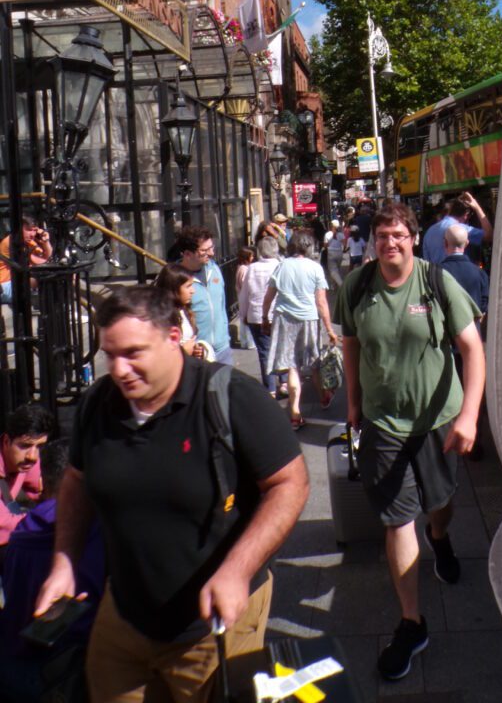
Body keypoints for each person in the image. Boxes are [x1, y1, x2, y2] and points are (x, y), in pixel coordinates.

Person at [35, 285, 309, 702]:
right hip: (124, 618)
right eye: (111, 355)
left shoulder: (230, 396)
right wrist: (64, 561)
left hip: (211, 626)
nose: (120, 369)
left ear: (173, 338)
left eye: (134, 353)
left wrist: (237, 570)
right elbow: (76, 480)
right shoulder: (98, 404)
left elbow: (290, 483)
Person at [335, 203, 485, 681]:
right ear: (373, 241)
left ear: (414, 239)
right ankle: (412, 622)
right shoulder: (358, 287)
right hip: (384, 425)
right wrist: (353, 401)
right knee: (399, 521)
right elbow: (351, 342)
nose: (390, 243)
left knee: (440, 504)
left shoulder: (437, 283)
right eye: (382, 236)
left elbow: (472, 349)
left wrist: (469, 417)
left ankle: (440, 539)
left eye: (398, 235)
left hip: (438, 421)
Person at [0, 438, 105, 703]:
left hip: (14, 666)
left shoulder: (21, 534)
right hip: (66, 675)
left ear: (44, 480)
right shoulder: (95, 532)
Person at [262, 231, 338, 428]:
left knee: (292, 366)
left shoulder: (282, 266)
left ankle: (295, 413)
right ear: (309, 247)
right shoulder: (315, 268)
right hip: (309, 319)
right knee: (312, 362)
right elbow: (321, 302)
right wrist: (329, 329)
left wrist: (264, 318)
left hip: (284, 319)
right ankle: (323, 398)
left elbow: (269, 296)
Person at [0, 403, 54, 552]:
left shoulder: (26, 462)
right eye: (24, 446)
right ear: (6, 441)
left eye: (40, 446)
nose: (33, 456)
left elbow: (47, 492)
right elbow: (3, 525)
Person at [176, 225, 233, 365]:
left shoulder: (214, 268)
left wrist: (225, 335)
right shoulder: (175, 278)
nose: (212, 253)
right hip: (197, 353)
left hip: (222, 348)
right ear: (188, 254)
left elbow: (221, 304)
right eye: (204, 250)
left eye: (212, 247)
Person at [239, 236, 284, 397]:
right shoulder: (280, 266)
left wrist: (243, 314)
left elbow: (244, 294)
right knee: (280, 348)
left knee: (264, 352)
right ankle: (284, 382)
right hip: (278, 314)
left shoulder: (252, 268)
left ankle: (270, 387)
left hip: (256, 315)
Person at [420, 191, 493, 264]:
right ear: (466, 215)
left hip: (435, 274)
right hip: (458, 274)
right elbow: (489, 235)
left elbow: (427, 262)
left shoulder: (429, 232)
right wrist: (477, 207)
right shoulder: (461, 229)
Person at [440, 225, 490, 320]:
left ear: (445, 243)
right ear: (467, 243)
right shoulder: (480, 274)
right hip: (472, 330)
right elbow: (483, 307)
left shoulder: (434, 272)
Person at [0, 216, 53, 305]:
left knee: (57, 275)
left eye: (34, 230)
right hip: (5, 287)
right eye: (28, 230)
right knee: (42, 277)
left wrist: (45, 241)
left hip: (15, 286)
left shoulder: (28, 242)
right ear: (18, 230)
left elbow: (46, 258)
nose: (32, 234)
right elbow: (39, 261)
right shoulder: (10, 241)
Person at [155, 262, 202, 357]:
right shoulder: (160, 317)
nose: (193, 291)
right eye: (188, 286)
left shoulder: (184, 309)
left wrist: (195, 350)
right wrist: (183, 352)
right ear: (174, 288)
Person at [235, 247, 256, 349]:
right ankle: (250, 342)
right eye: (251, 256)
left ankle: (244, 342)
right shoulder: (244, 269)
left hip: (242, 296)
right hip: (245, 297)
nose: (253, 257)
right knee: (247, 319)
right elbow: (245, 284)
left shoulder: (242, 268)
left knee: (244, 319)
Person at [324, 220, 346, 290]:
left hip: (331, 252)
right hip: (339, 252)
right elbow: (344, 244)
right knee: (337, 269)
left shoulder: (327, 234)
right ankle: (333, 285)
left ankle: (341, 285)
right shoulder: (341, 234)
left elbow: (325, 245)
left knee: (333, 270)